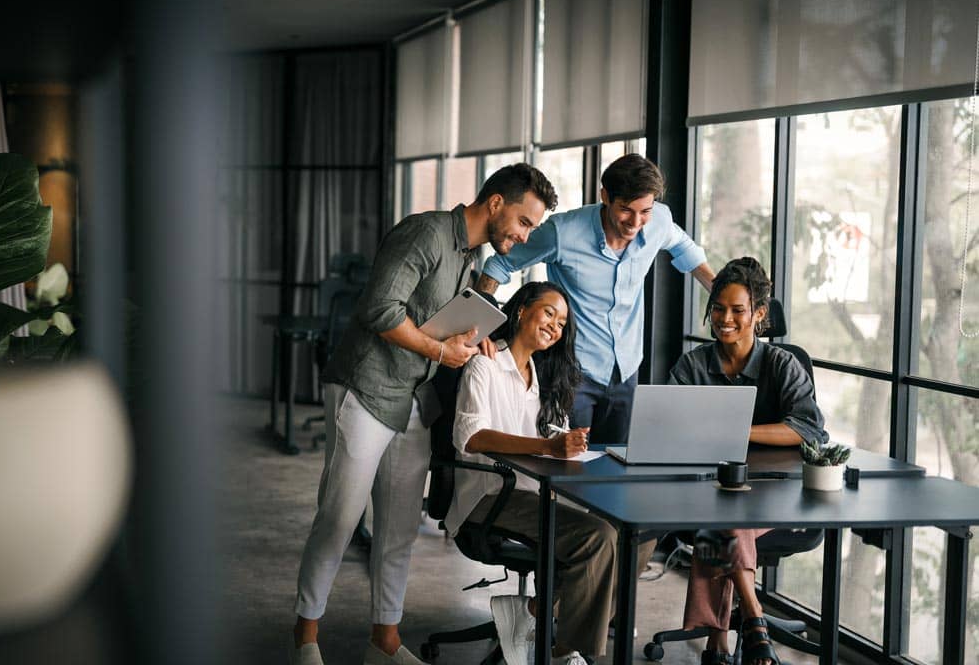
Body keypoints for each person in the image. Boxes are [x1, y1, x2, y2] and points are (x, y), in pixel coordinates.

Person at [290, 164, 558, 665]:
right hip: (366, 387)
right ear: (496, 203)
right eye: (524, 223)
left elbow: (443, 326)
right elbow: (380, 309)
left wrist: (472, 345)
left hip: (415, 399)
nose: (524, 237)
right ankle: (305, 639)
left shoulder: (471, 254)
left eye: (532, 230)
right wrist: (440, 353)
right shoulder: (426, 232)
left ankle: (384, 643)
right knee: (340, 517)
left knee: (398, 529)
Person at [445, 281, 649, 665]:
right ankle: (567, 649)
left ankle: (539, 612)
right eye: (549, 313)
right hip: (491, 496)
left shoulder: (543, 378)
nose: (556, 326)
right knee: (598, 538)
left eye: (562, 323)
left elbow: (554, 440)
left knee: (636, 531)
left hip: (537, 492)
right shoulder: (484, 364)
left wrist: (569, 445)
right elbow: (469, 436)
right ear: (521, 311)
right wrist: (547, 447)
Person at [476, 154, 714, 444]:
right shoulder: (563, 233)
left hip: (626, 371)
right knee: (568, 468)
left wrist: (720, 293)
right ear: (605, 196)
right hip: (572, 372)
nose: (636, 222)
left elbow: (686, 250)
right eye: (626, 210)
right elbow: (499, 265)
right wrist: (480, 325)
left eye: (645, 211)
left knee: (617, 468)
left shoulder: (659, 220)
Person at [668, 257, 828, 665]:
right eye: (718, 308)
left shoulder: (781, 364)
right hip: (708, 493)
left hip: (774, 496)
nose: (724, 319)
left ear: (758, 314)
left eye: (737, 310)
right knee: (723, 518)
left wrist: (735, 430)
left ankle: (717, 641)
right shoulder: (693, 365)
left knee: (720, 526)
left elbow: (808, 430)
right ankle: (753, 620)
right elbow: (669, 425)